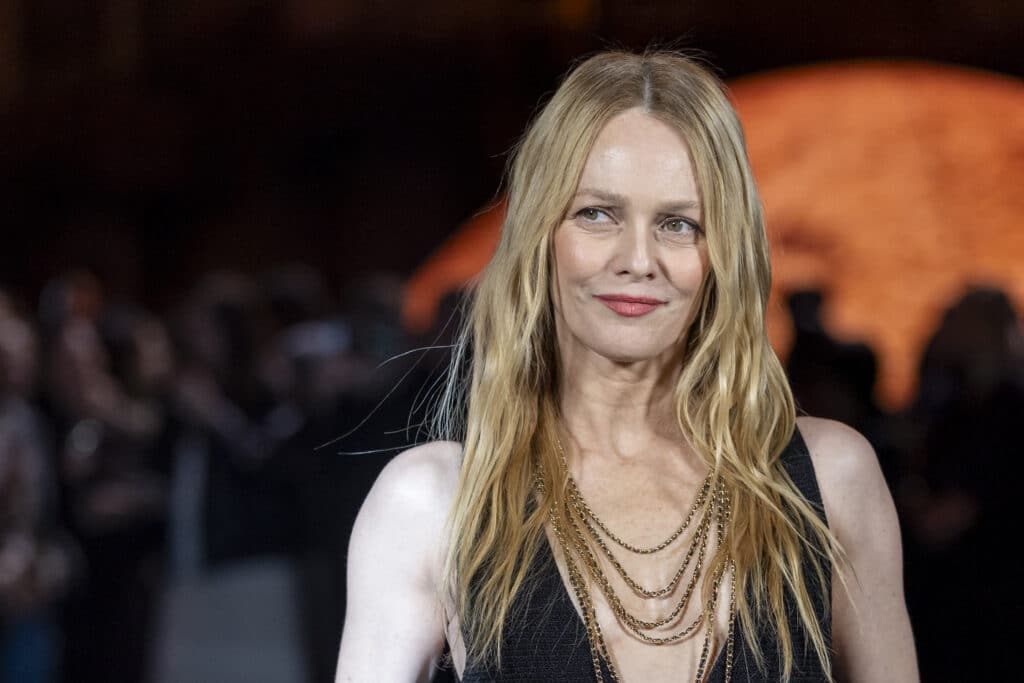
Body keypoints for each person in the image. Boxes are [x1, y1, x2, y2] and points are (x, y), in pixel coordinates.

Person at [335, 50, 918, 682]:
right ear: (540, 235)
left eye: (678, 224)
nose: (638, 259)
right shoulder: (432, 505)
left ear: (723, 253)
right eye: (597, 214)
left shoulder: (830, 484)